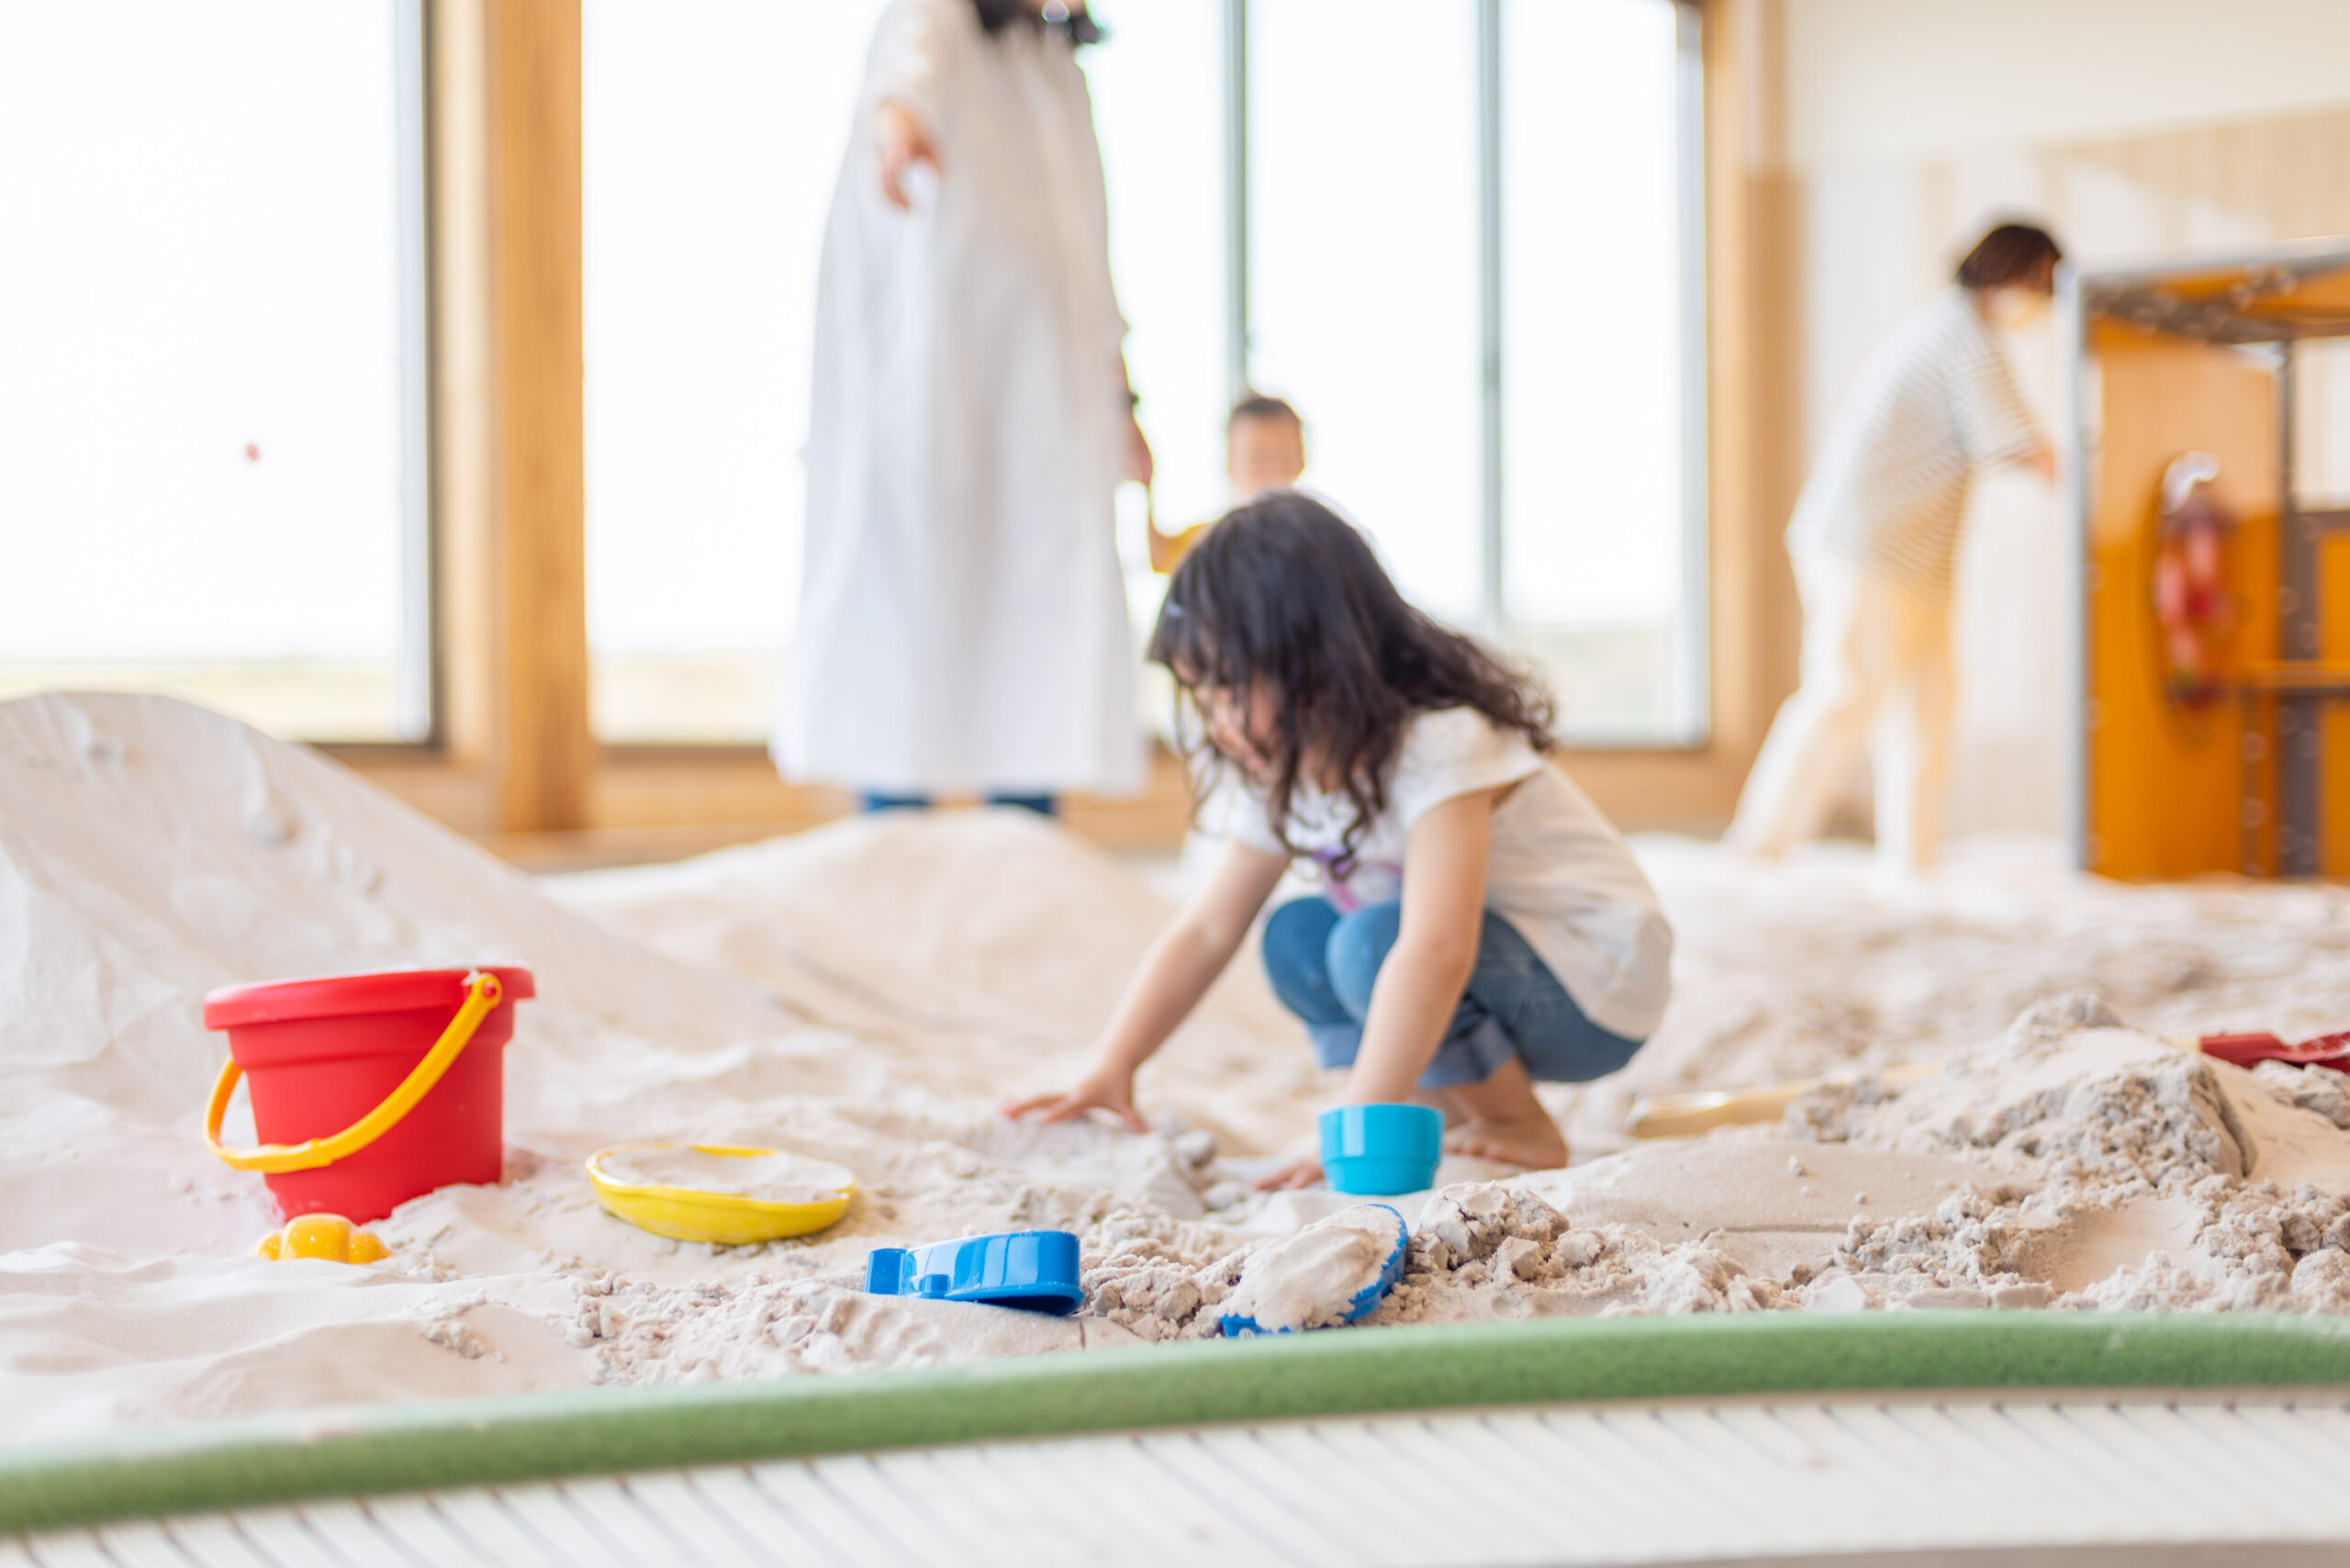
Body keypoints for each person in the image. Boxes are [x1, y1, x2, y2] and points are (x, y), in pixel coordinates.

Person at [1010, 493, 1673, 1183]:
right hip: (1499, 968)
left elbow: (1438, 950)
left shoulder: (1438, 743)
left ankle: (1516, 1121)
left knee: (1369, 944)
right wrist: (1115, 1062)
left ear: (1314, 660)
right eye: (1199, 695)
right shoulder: (1291, 774)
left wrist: (1350, 1131)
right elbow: (1208, 930)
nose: (1218, 723)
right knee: (1296, 936)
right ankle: (1426, 1109)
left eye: (1231, 688)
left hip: (1593, 983)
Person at [775, 0, 1153, 820]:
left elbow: (1087, 262)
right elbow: (908, 74)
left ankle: (1026, 836)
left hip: (1047, 407)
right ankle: (892, 830)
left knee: (1035, 625)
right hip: (944, 391)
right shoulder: (939, 18)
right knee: (917, 608)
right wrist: (899, 122)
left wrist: (1121, 398)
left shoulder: (1055, 69)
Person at [1726, 221, 2062, 871]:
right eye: (2044, 282)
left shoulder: (1952, 331)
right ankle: (1759, 843)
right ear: (2019, 273)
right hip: (1870, 549)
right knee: (1846, 694)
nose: (2044, 300)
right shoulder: (1962, 338)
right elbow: (2016, 444)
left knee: (1927, 710)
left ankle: (1914, 857)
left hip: (1910, 561)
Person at [1148, 393, 1308, 573]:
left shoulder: (1322, 542)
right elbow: (1159, 556)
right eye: (1258, 458)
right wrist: (1146, 484)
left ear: (1302, 459)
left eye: (1284, 456)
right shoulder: (1206, 541)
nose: (1274, 470)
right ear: (1230, 462)